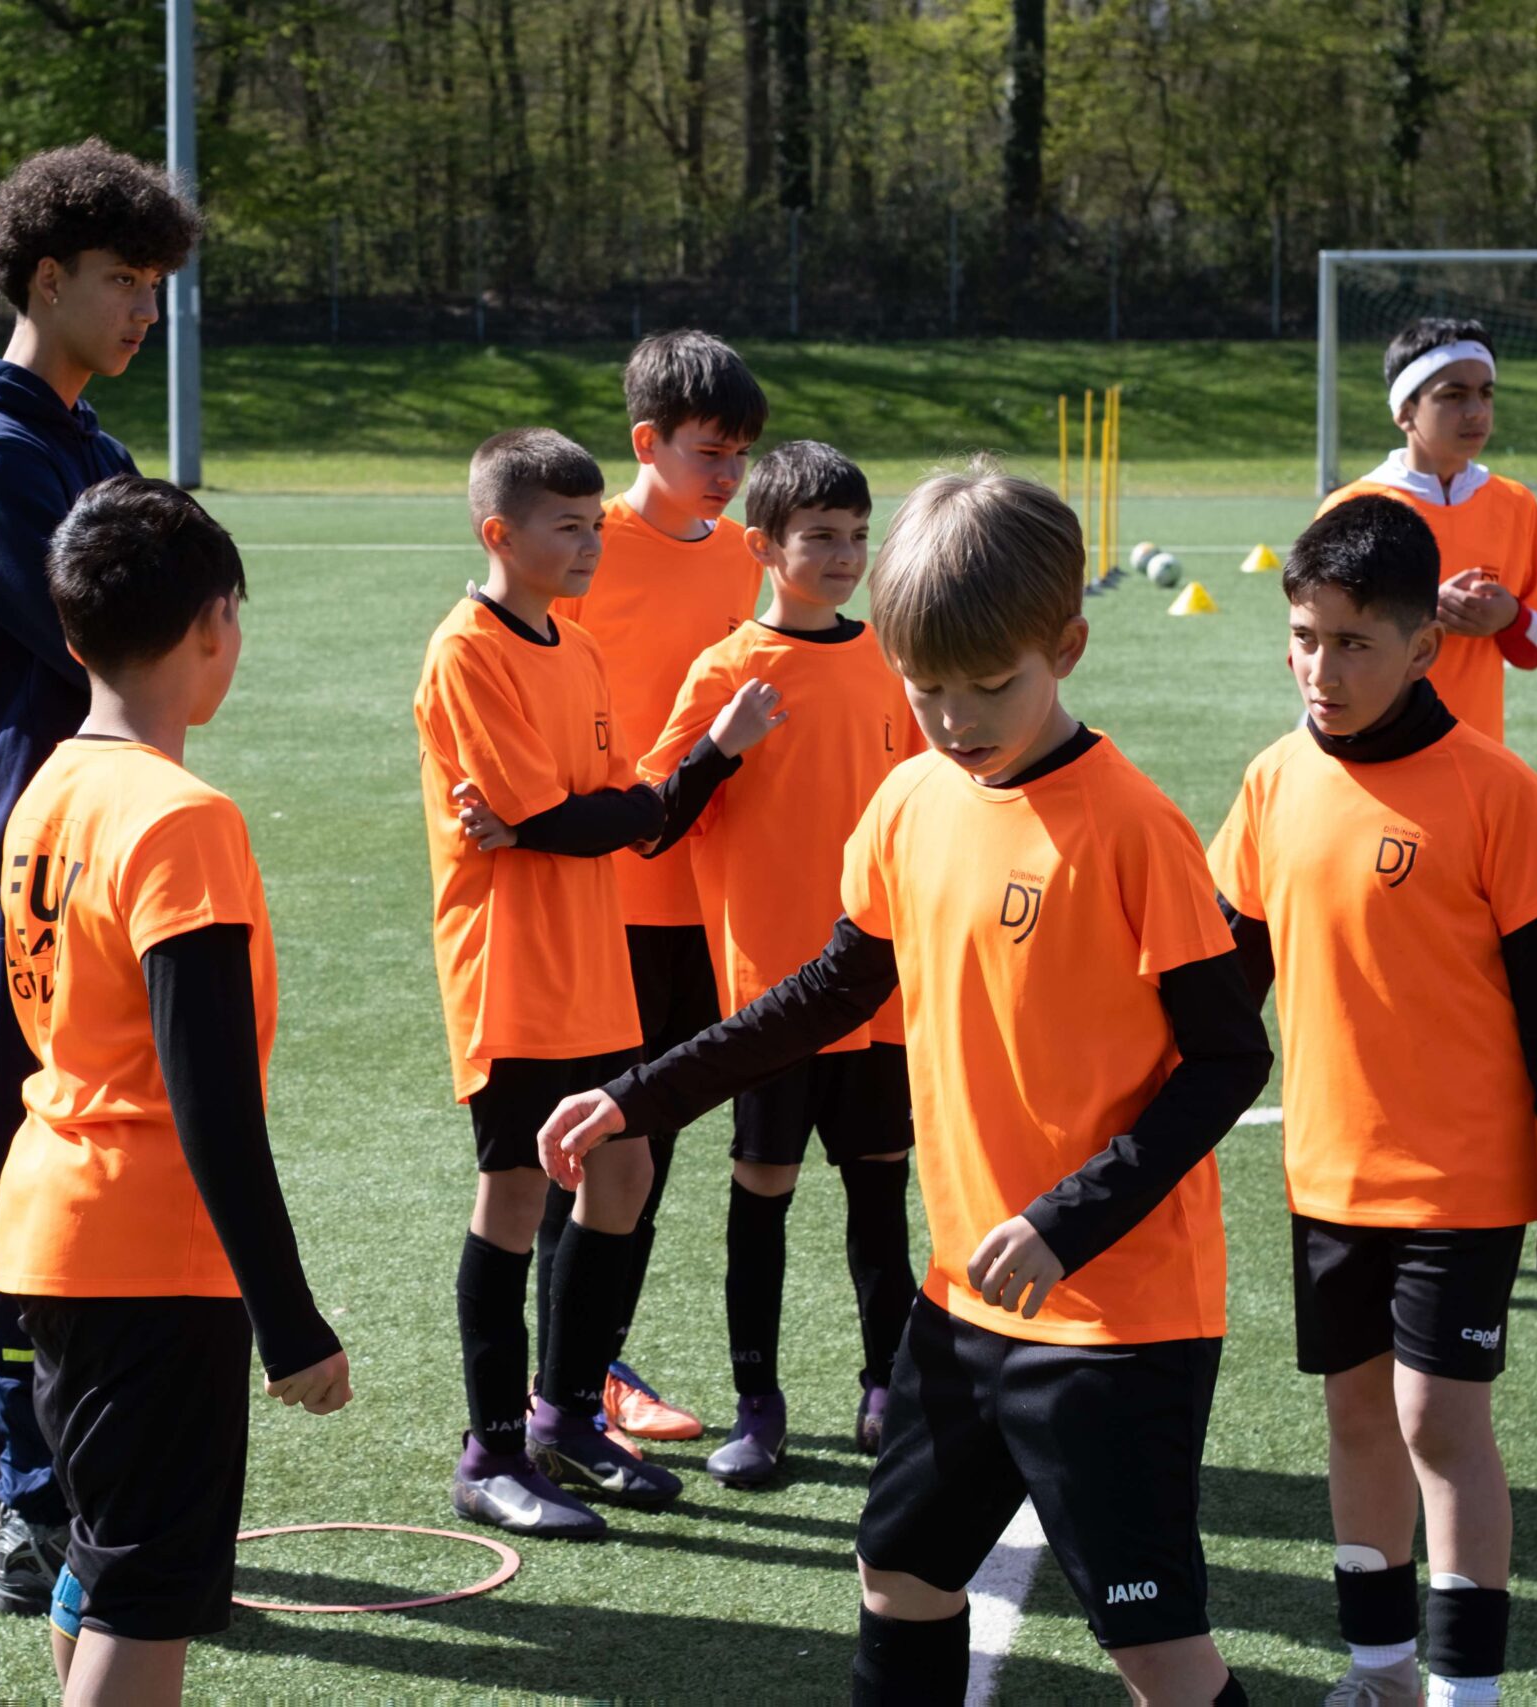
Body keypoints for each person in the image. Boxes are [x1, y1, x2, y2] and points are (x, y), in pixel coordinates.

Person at [541, 460, 1272, 1705]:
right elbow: (829, 991)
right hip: (963, 1300)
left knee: (1154, 1648)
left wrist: (1066, 1221)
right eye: (924, 687)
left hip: (1114, 1322)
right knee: (899, 1574)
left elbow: (1227, 1058)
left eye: (990, 687)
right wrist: (638, 1096)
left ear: (1067, 648)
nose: (953, 718)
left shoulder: (1129, 826)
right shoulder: (908, 802)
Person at [1206, 496, 1537, 1707]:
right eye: (1303, 638)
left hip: (1462, 1177)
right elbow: (1220, 985)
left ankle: (1463, 1693)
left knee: (1437, 1420)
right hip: (1327, 1174)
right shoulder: (1273, 780)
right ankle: (1380, 1671)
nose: (1320, 670)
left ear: (1423, 647)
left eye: (1353, 644)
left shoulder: (1493, 791)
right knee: (1354, 1420)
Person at [0, 475, 350, 1707]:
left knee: (105, 1562)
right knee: (146, 1593)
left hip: (51, 1227)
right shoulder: (181, 817)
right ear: (212, 625)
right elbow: (211, 1098)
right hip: (147, 1253)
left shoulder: (47, 789)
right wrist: (288, 1319)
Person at [0, 138, 201, 1615]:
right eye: (123, 281)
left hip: (101, 855)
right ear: (43, 281)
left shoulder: (87, 444)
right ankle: (30, 1487)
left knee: (82, 1159)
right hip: (24, 874)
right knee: (28, 1175)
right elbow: (127, 633)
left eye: (156, 283)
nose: (147, 309)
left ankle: (5, 1458)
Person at [420, 427, 782, 1537]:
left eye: (593, 525)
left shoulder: (574, 647)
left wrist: (580, 815)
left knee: (622, 1171)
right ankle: (489, 1452)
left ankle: (565, 1415)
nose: (590, 545)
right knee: (515, 1196)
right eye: (567, 527)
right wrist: (563, 820)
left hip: (596, 961)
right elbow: (561, 814)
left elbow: (623, 812)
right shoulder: (467, 651)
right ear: (500, 534)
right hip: (513, 972)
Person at [638, 439, 922, 1487]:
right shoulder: (727, 671)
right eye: (821, 538)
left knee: (879, 1189)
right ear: (762, 546)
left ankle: (887, 1385)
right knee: (763, 1188)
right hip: (771, 995)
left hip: (880, 983)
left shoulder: (890, 660)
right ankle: (757, 1404)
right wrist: (721, 745)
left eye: (857, 537)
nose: (845, 556)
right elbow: (654, 820)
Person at [545, 329, 772, 1445]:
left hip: (709, 896)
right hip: (609, 897)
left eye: (740, 454)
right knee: (592, 1145)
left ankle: (594, 1364)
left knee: (655, 1138)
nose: (728, 474)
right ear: (647, 443)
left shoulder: (741, 556)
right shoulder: (588, 545)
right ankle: (569, 1379)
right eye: (707, 451)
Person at [1316, 318, 1537, 742]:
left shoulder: (1515, 504)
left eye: (1486, 393)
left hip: (1476, 751)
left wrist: (1510, 617)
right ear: (1405, 411)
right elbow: (1313, 648)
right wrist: (1420, 612)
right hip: (1372, 751)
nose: (1476, 410)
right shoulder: (1351, 507)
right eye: (1453, 395)